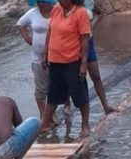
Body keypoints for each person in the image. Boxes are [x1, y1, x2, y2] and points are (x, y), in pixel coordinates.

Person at [41, 0, 91, 139]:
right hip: (55, 61)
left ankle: (85, 125)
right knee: (52, 95)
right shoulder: (56, 9)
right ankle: (45, 124)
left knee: (79, 94)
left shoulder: (80, 13)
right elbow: (50, 31)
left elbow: (85, 38)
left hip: (72, 61)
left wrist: (84, 63)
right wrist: (45, 53)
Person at [17, 0, 56, 120]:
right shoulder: (33, 13)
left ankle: (56, 112)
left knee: (55, 86)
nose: (39, 4)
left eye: (42, 2)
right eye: (38, 2)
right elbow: (20, 24)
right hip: (37, 57)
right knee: (40, 88)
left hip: (56, 56)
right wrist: (28, 39)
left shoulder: (57, 12)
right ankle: (43, 115)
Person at [84, 0, 118, 114]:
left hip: (88, 41)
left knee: (96, 76)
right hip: (74, 43)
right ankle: (68, 107)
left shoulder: (89, 2)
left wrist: (92, 25)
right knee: (75, 78)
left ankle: (106, 106)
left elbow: (99, 13)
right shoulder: (68, 4)